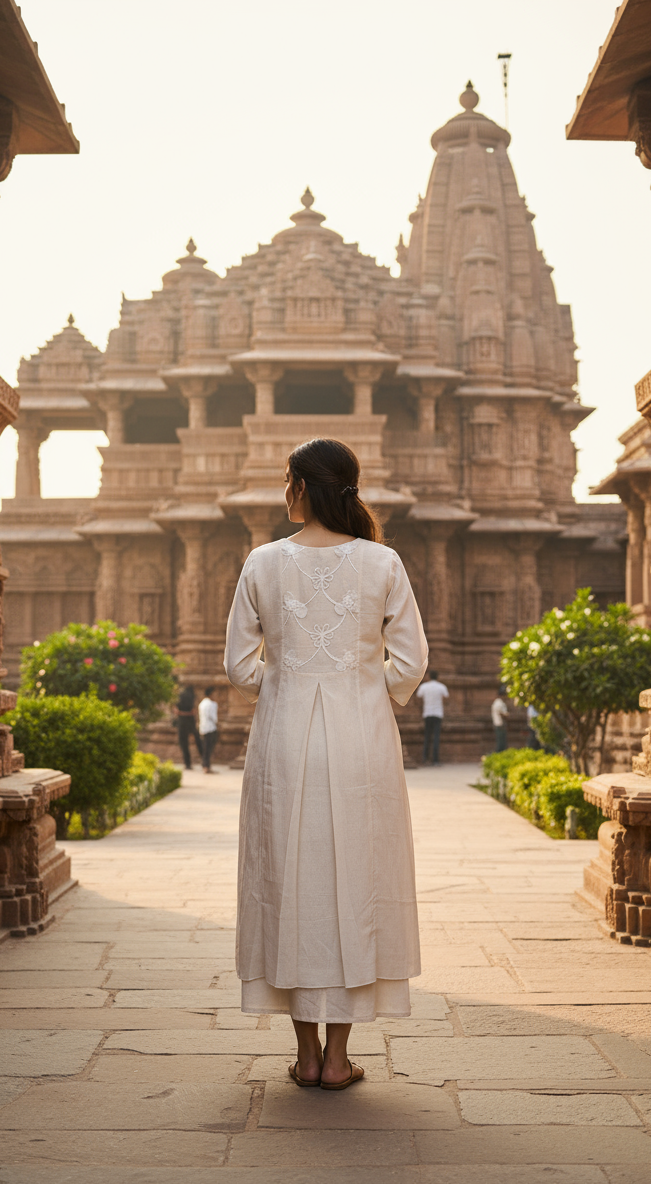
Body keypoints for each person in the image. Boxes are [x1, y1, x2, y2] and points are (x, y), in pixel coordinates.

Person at [225, 437, 428, 1091]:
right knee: (354, 882)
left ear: (301, 487)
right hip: (362, 741)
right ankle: (339, 1059)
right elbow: (412, 662)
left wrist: (286, 678)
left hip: (282, 742)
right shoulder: (382, 562)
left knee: (290, 883)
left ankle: (307, 1055)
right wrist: (364, 683)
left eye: (287, 481)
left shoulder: (261, 562)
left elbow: (236, 666)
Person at [416, 671, 449, 765]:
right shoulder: (442, 687)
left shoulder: (424, 686)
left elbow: (418, 696)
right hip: (438, 713)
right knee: (436, 737)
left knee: (427, 737)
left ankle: (425, 758)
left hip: (427, 713)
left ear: (428, 676)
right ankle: (435, 760)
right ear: (437, 677)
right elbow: (446, 697)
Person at [174, 684, 200, 770]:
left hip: (182, 722)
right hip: (190, 721)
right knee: (198, 740)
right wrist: (189, 714)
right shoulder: (192, 696)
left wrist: (182, 713)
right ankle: (205, 760)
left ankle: (187, 763)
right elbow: (194, 711)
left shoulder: (179, 696)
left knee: (184, 744)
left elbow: (176, 711)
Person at [198, 686, 218, 774]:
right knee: (208, 748)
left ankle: (206, 765)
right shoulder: (212, 704)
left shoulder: (201, 704)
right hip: (210, 728)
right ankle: (206, 766)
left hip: (203, 727)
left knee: (205, 748)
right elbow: (213, 717)